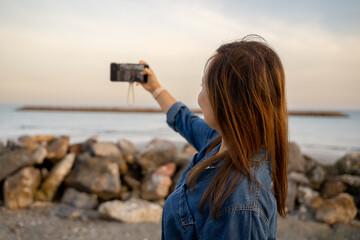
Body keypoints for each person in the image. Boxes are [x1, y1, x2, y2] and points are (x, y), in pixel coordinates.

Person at [138, 35, 288, 240]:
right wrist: (155, 88)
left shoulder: (239, 204)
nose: (199, 98)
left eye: (203, 86)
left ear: (227, 100)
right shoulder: (221, 142)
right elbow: (185, 121)